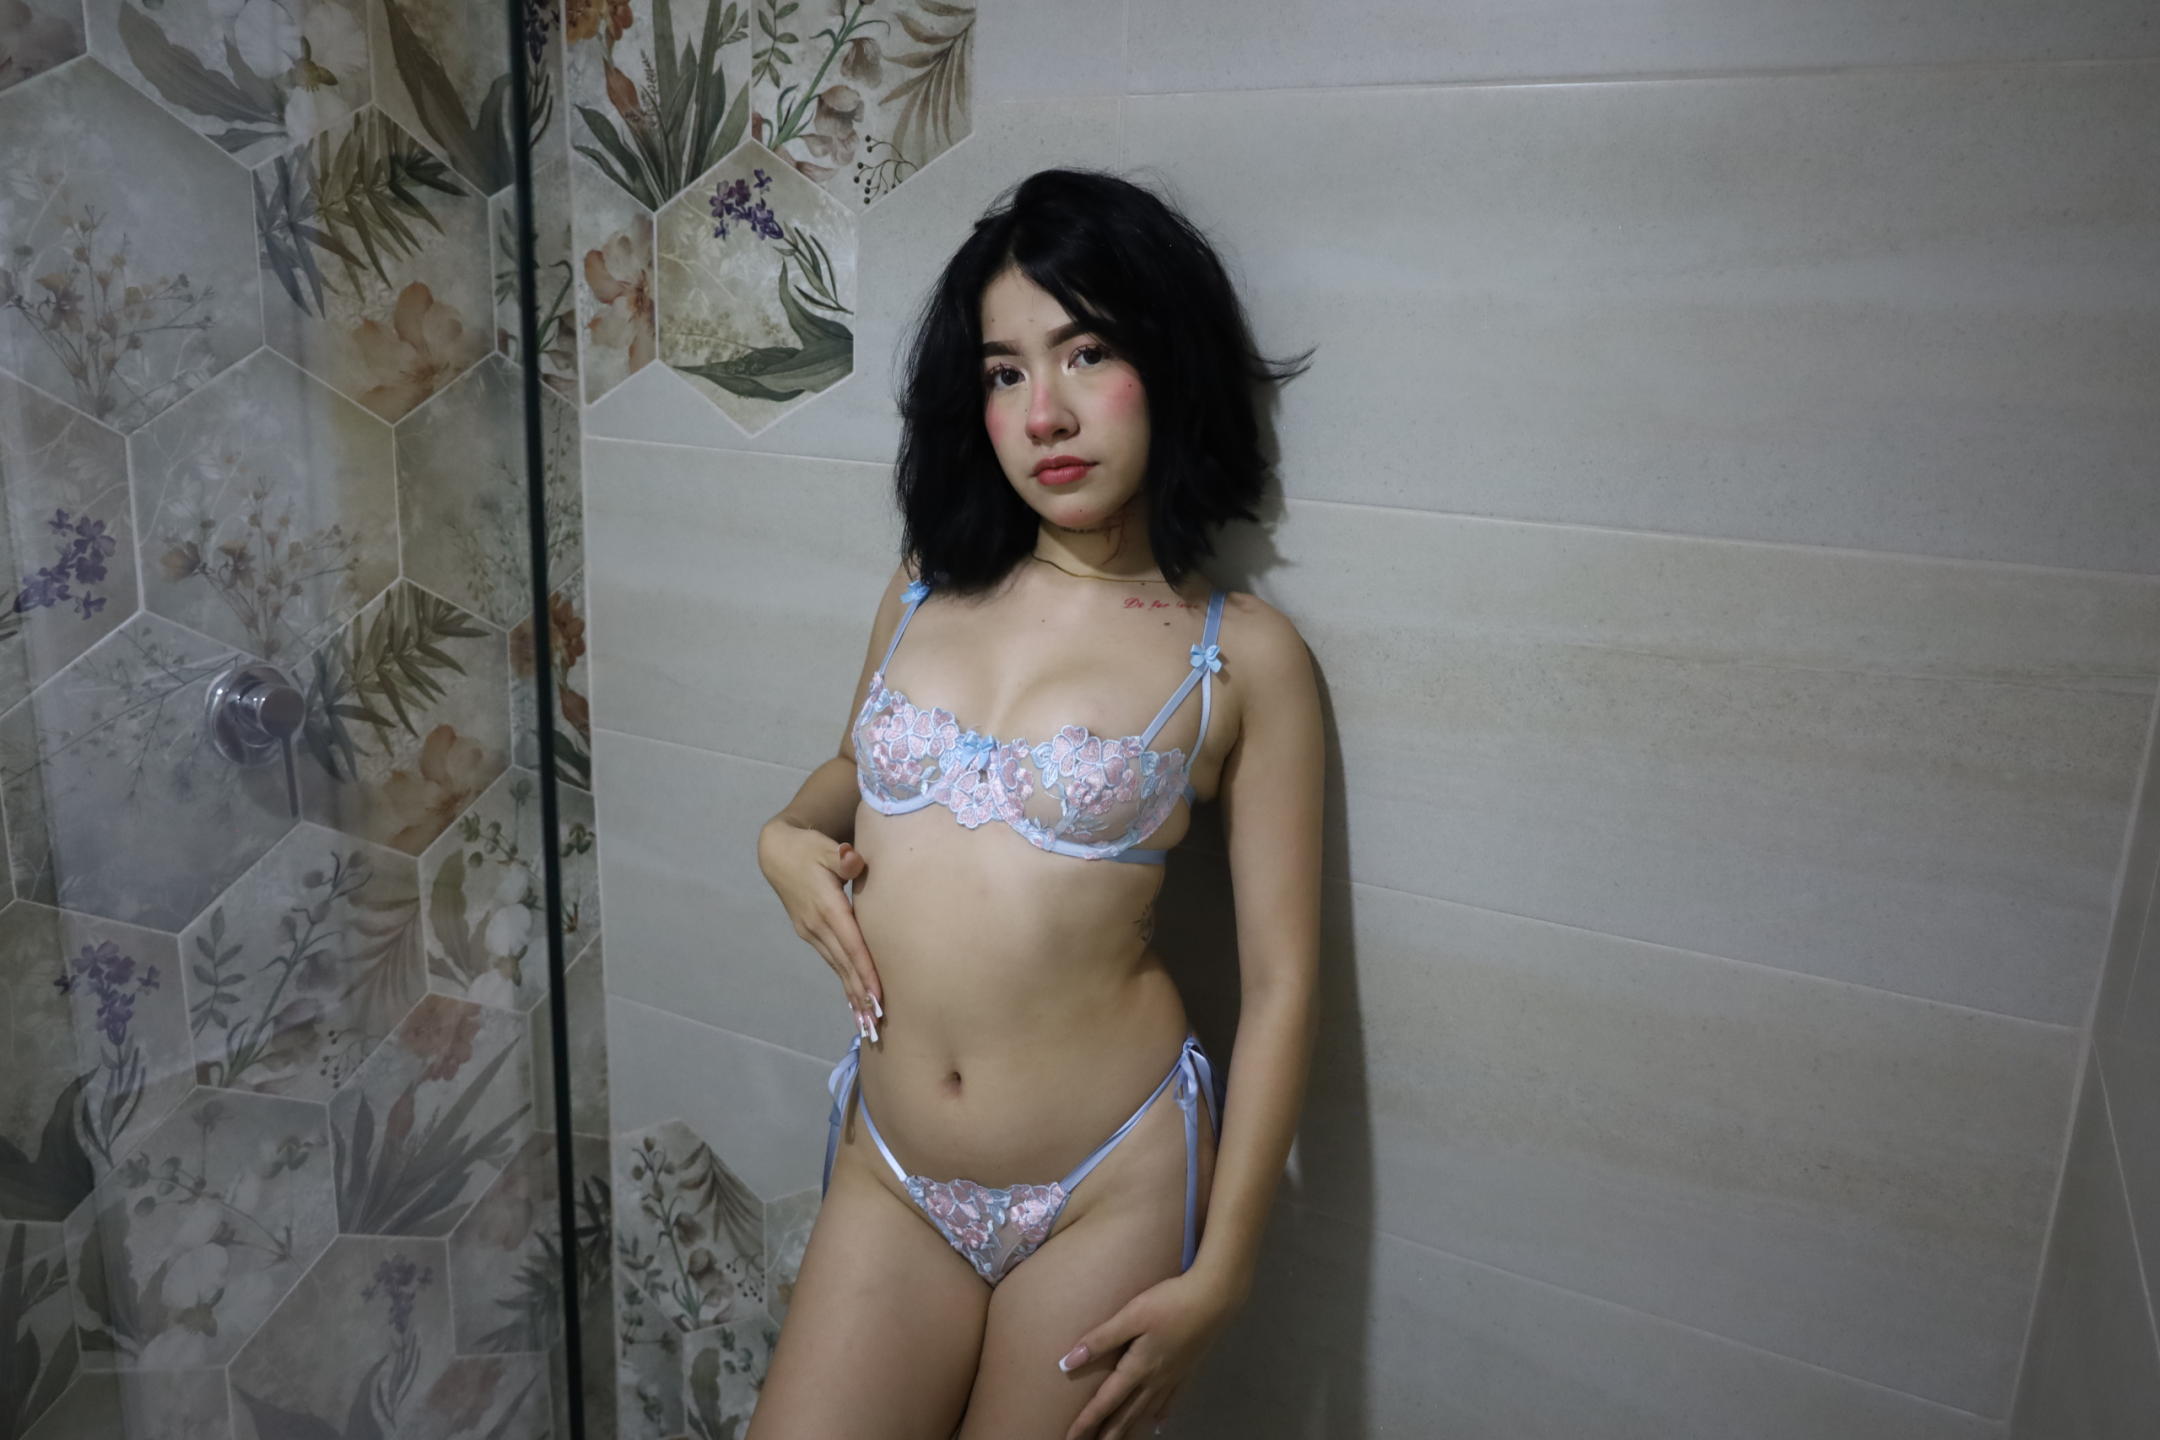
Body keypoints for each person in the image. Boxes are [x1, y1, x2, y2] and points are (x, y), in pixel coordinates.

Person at [749, 167, 1323, 1440]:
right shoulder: (923, 587)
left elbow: (1283, 985)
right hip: (893, 1168)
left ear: (1167, 363)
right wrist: (784, 833)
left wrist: (1224, 1273)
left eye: (1087, 353)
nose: (1044, 414)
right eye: (1005, 373)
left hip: (1106, 1186)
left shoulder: (1239, 655)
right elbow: (853, 769)